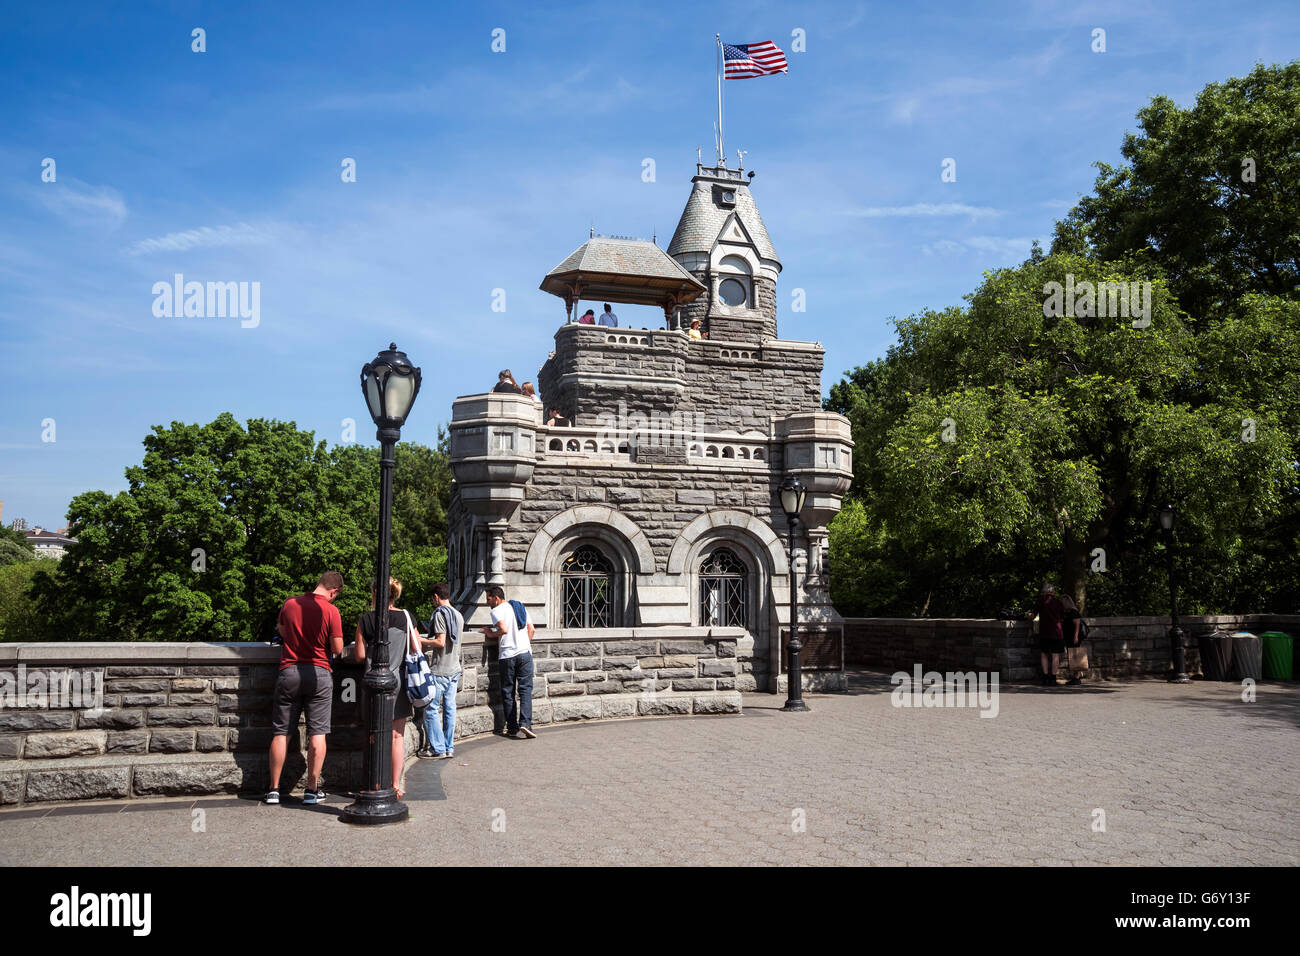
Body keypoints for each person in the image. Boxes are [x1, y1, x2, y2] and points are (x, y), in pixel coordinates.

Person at [266, 571, 345, 805]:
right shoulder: (331, 611)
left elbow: (282, 632)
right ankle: (311, 790)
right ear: (334, 591)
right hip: (319, 674)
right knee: (317, 733)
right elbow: (338, 649)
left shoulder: (290, 604)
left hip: (289, 671)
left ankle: (273, 790)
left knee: (281, 732)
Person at [347, 576, 420, 799]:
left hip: (372, 682)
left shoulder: (366, 620)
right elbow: (415, 647)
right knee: (397, 735)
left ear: (375, 594)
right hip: (397, 680)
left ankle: (373, 783)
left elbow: (359, 655)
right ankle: (395, 784)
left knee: (373, 733)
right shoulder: (407, 618)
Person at [416, 582, 464, 759]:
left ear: (436, 597)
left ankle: (437, 749)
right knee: (450, 708)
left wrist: (420, 640)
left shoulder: (439, 614)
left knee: (431, 709)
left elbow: (440, 642)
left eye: (432, 599)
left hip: (440, 669)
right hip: (455, 668)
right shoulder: (458, 614)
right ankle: (449, 747)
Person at [481, 585, 536, 739]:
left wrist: (489, 634)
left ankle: (512, 728)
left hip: (507, 655)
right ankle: (526, 724)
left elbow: (503, 629)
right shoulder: (520, 607)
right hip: (525, 653)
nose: (487, 602)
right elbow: (531, 630)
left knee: (508, 692)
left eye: (488, 598)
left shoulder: (496, 610)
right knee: (525, 690)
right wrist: (523, 644)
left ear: (496, 598)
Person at [1035, 582, 1065, 687]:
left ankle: (1045, 677)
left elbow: (1033, 614)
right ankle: (1053, 678)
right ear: (1053, 591)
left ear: (1044, 591)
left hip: (1044, 632)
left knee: (1044, 654)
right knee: (1055, 655)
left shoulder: (1040, 601)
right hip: (1057, 632)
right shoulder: (1058, 602)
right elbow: (1062, 615)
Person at [1061, 593, 1086, 685]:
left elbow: (1077, 625)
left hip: (1074, 637)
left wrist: (1075, 636)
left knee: (1076, 656)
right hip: (1068, 637)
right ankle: (1075, 677)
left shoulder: (1073, 612)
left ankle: (1077, 677)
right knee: (1072, 656)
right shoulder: (1066, 613)